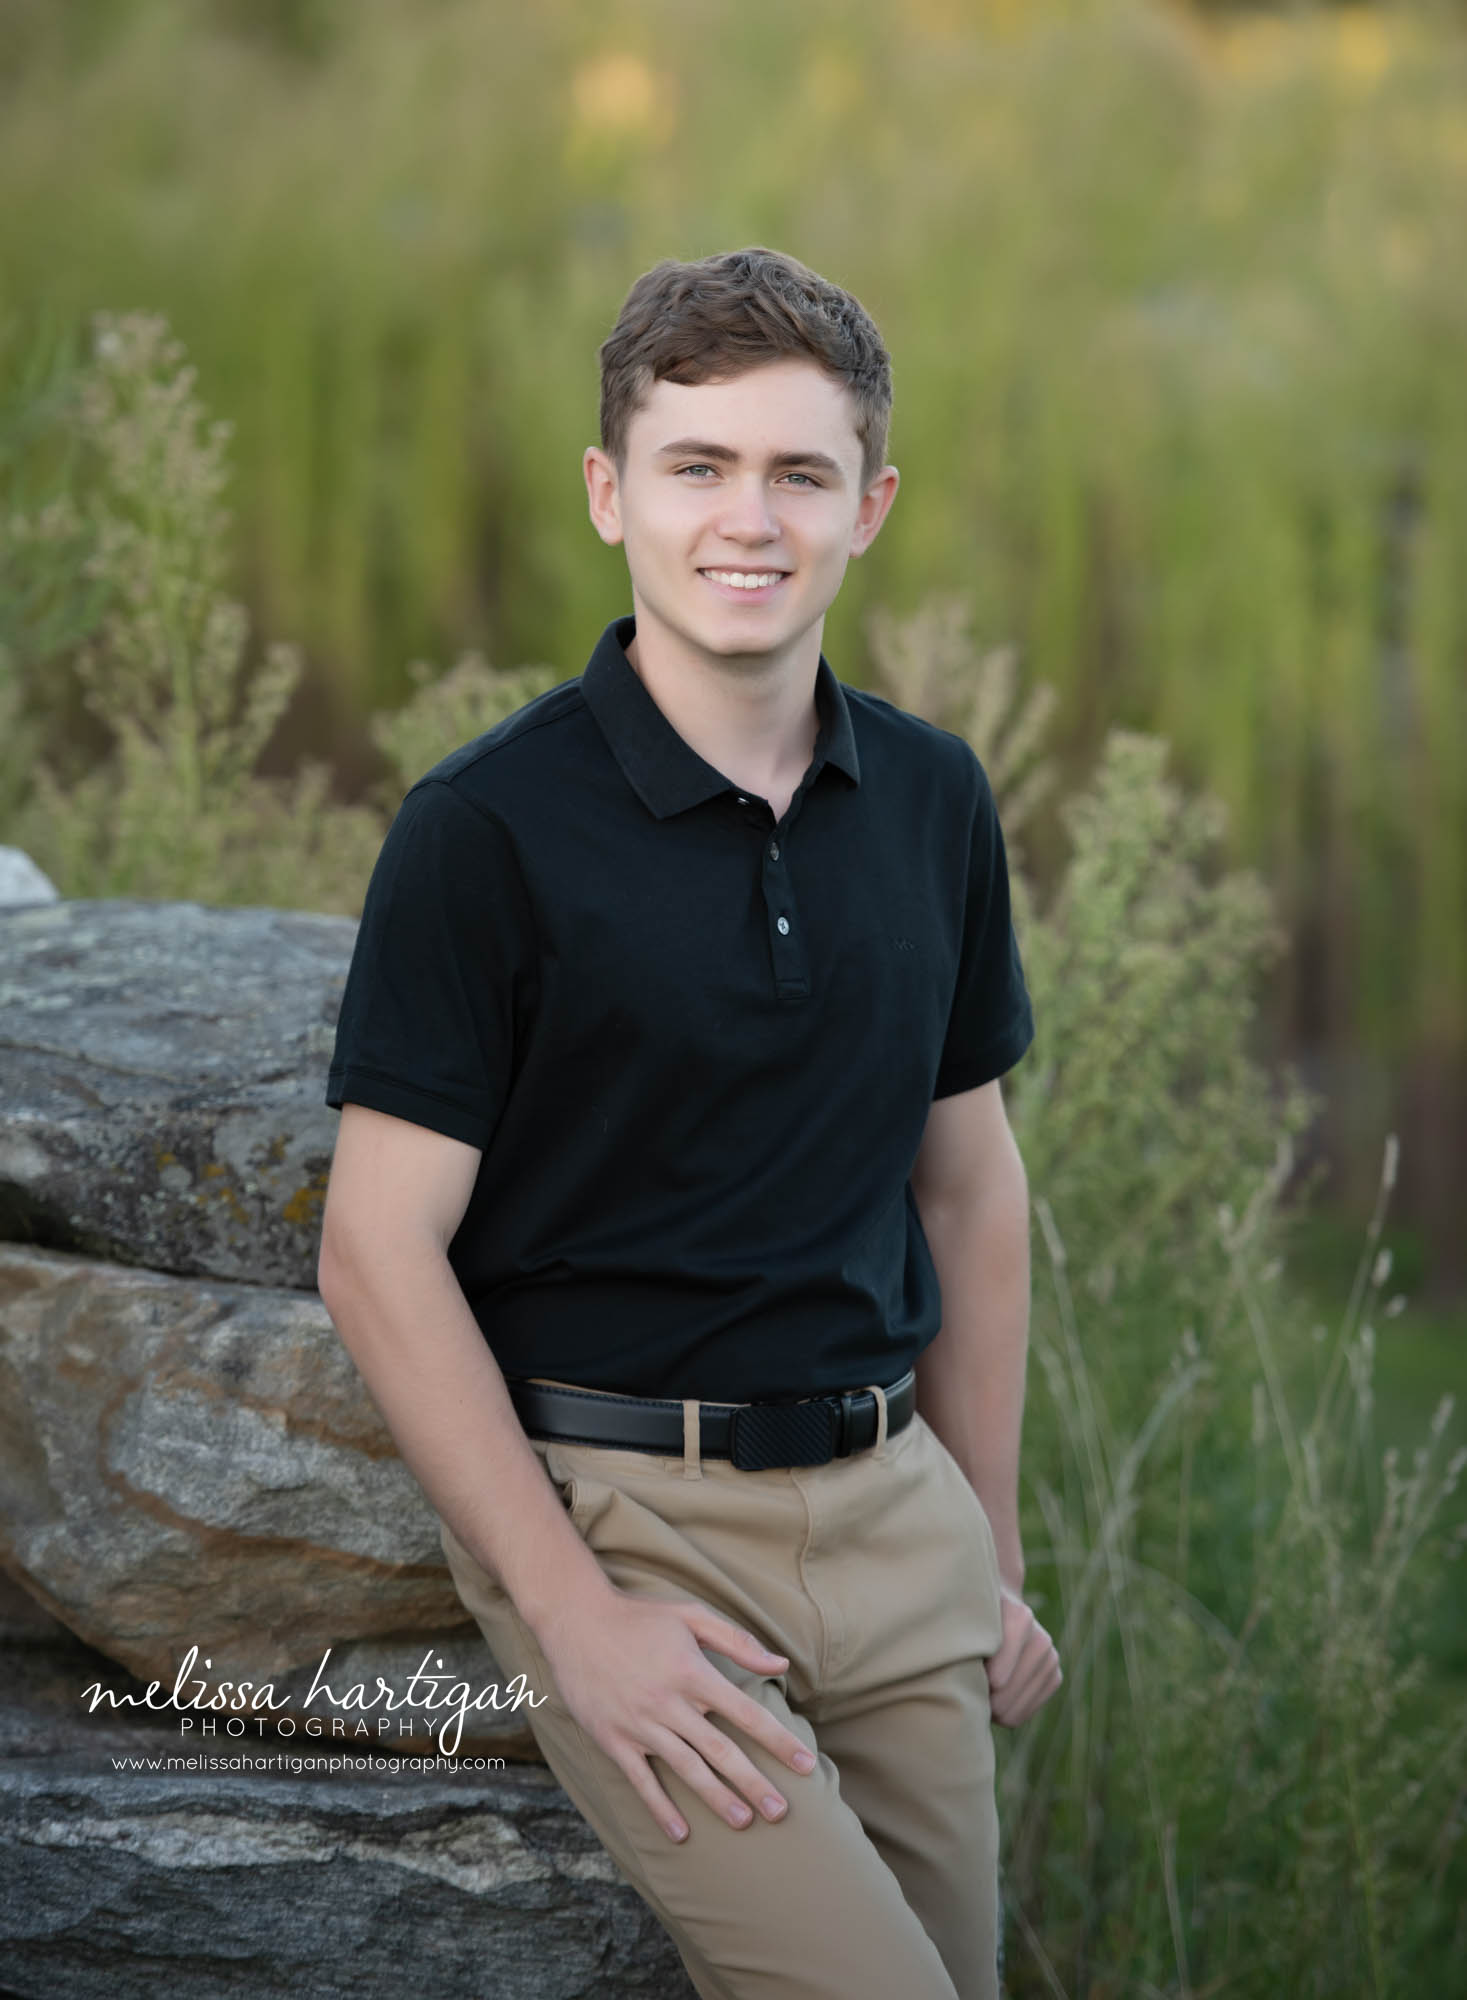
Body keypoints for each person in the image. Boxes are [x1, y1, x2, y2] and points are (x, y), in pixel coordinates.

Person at [318, 245, 1062, 2000]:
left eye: (800, 473)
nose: (752, 519)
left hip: (900, 1520)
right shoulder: (487, 832)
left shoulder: (937, 800)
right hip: (628, 1519)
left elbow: (968, 1193)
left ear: (870, 506)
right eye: (698, 465)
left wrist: (994, 1554)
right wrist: (574, 1621)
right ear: (610, 493)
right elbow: (374, 1249)